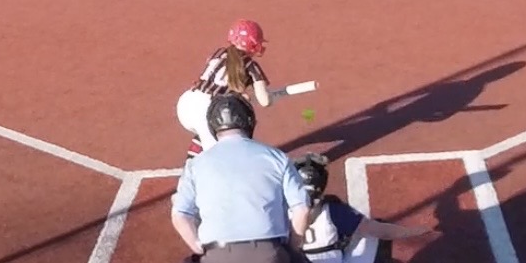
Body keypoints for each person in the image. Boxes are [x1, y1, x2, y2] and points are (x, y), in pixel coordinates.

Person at [171, 94, 313, 263]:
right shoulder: (277, 157)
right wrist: (291, 248)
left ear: (212, 125)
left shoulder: (195, 164)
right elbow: (302, 209)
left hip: (217, 255)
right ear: (249, 121)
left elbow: (180, 214)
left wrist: (198, 247)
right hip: (269, 254)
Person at [294, 154, 435, 263]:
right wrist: (411, 232)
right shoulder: (333, 210)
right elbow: (382, 232)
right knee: (369, 232)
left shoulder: (279, 209)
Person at [176, 19, 275, 159]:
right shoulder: (251, 66)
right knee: (221, 151)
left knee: (212, 129)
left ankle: (193, 158)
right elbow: (265, 101)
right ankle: (194, 173)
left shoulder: (219, 52)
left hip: (186, 103)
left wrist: (239, 97)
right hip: (206, 110)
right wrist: (267, 96)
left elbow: (222, 82)